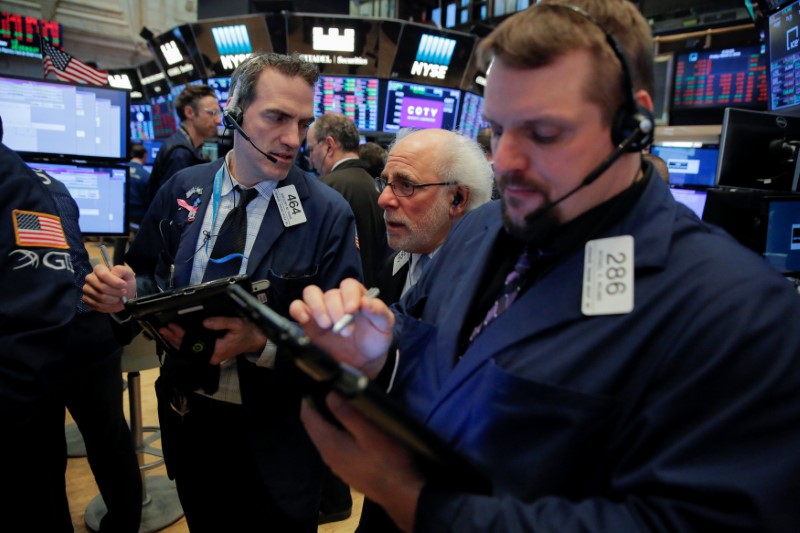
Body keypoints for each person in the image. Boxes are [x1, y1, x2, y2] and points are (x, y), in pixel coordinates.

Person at [289, 2, 800, 532]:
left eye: (545, 132)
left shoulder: (740, 312)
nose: (506, 160)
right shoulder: (479, 229)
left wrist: (416, 501)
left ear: (634, 122)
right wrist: (379, 357)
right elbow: (442, 366)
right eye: (498, 130)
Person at [83, 53, 362, 532]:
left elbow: (345, 342)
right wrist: (126, 294)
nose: (293, 138)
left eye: (302, 122)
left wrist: (262, 342)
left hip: (280, 437)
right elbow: (149, 275)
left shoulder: (327, 213)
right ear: (235, 110)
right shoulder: (183, 189)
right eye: (276, 118)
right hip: (192, 423)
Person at [1, 129, 141, 530]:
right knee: (111, 443)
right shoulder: (53, 184)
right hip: (90, 330)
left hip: (31, 346)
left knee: (42, 461)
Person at [375, 128, 493, 304]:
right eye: (386, 182)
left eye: (407, 185)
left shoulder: (486, 286)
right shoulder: (393, 265)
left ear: (457, 199)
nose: (383, 199)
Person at [307, 114, 389, 288]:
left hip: (336, 296)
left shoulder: (323, 188)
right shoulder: (377, 187)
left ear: (329, 146)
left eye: (311, 150)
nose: (310, 158)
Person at [147, 84, 221, 201]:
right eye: (212, 113)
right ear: (189, 112)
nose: (218, 120)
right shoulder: (180, 154)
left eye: (218, 113)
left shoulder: (185, 146)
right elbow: (176, 206)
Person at [128, 143, 151, 225]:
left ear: (131, 154)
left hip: (121, 215)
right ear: (145, 155)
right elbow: (149, 200)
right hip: (138, 218)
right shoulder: (146, 175)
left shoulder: (120, 171)